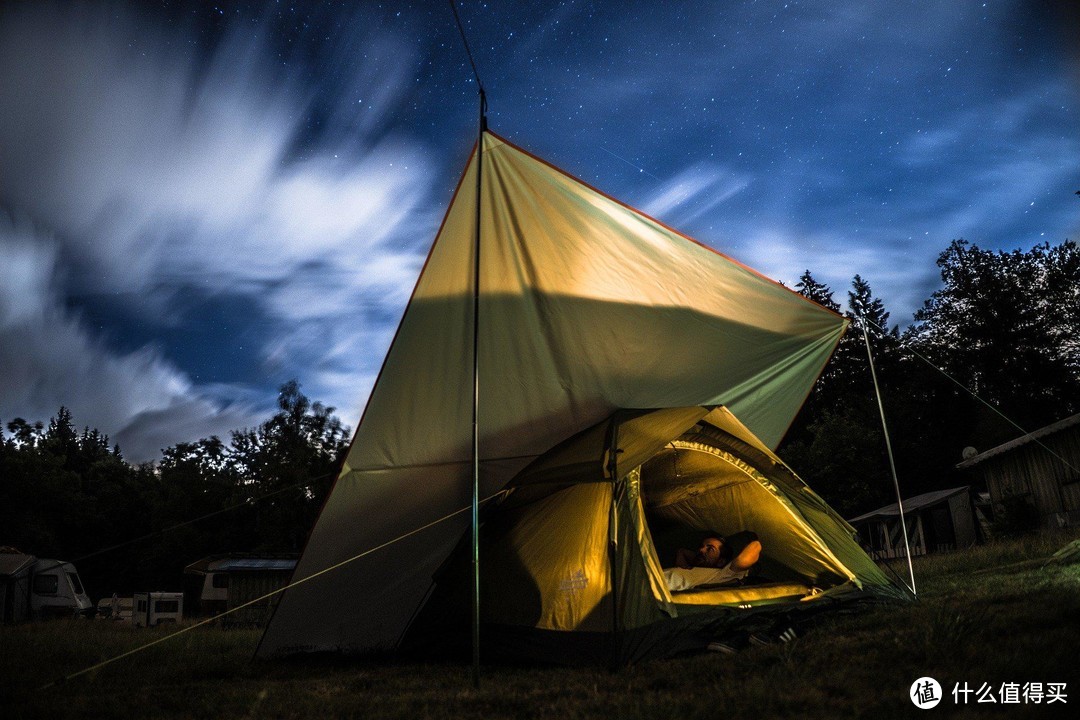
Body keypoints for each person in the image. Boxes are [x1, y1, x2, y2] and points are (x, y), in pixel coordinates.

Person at [664, 533, 761, 592]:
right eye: (702, 546)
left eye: (710, 549)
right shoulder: (691, 567)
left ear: (721, 561)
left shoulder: (721, 575)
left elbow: (755, 546)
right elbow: (682, 551)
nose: (701, 549)